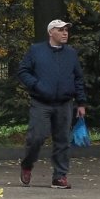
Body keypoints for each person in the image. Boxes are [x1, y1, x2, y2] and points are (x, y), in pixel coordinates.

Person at [18, 18, 87, 189]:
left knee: (62, 140)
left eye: (66, 30)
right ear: (51, 32)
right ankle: (27, 165)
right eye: (60, 30)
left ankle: (60, 176)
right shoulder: (36, 50)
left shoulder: (71, 53)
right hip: (41, 102)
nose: (65, 33)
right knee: (36, 137)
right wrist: (36, 85)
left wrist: (81, 103)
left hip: (64, 103)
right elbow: (23, 71)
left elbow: (78, 78)